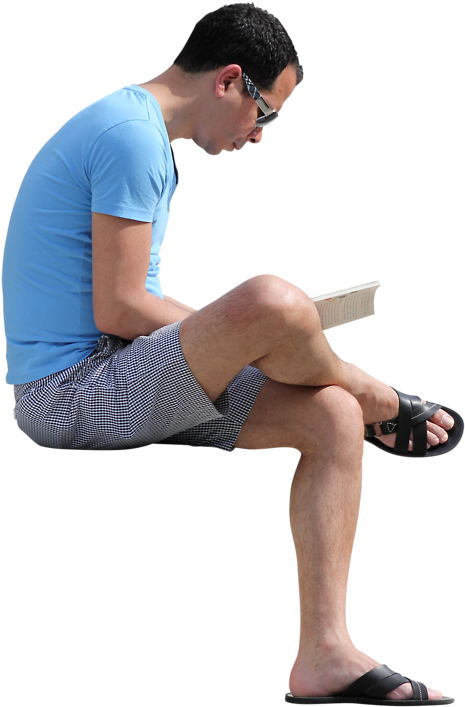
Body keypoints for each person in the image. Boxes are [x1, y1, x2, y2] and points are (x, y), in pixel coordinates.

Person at [1, 4, 458, 704]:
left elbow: (131, 314)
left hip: (122, 368)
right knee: (274, 300)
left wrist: (242, 340)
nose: (258, 136)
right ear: (230, 80)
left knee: (330, 417)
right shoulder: (129, 136)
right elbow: (119, 308)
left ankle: (324, 655)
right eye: (265, 114)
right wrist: (249, 330)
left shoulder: (141, 136)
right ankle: (377, 393)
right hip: (69, 390)